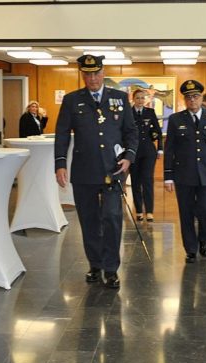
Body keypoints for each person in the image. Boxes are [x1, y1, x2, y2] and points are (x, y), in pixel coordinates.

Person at [54, 54, 138, 289]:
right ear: (82, 75)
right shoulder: (72, 100)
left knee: (112, 218)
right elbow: (62, 134)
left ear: (103, 73)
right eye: (87, 74)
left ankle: (111, 269)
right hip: (85, 170)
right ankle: (95, 264)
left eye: (96, 73)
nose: (92, 78)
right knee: (89, 220)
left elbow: (131, 131)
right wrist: (60, 163)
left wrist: (129, 157)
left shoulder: (119, 98)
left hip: (113, 169)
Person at [164, 80, 206, 263]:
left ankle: (204, 241)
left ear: (201, 98)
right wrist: (168, 176)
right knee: (186, 212)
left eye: (196, 96)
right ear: (184, 100)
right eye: (188, 97)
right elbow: (169, 149)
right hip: (184, 174)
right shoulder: (176, 119)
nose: (192, 100)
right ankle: (190, 249)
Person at [129, 88, 163, 222]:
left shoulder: (150, 112)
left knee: (147, 180)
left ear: (146, 99)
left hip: (148, 151)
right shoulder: (128, 113)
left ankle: (149, 211)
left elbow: (158, 132)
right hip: (133, 152)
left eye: (142, 98)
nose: (140, 100)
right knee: (135, 181)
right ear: (133, 99)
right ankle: (138, 210)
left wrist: (160, 149)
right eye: (138, 98)